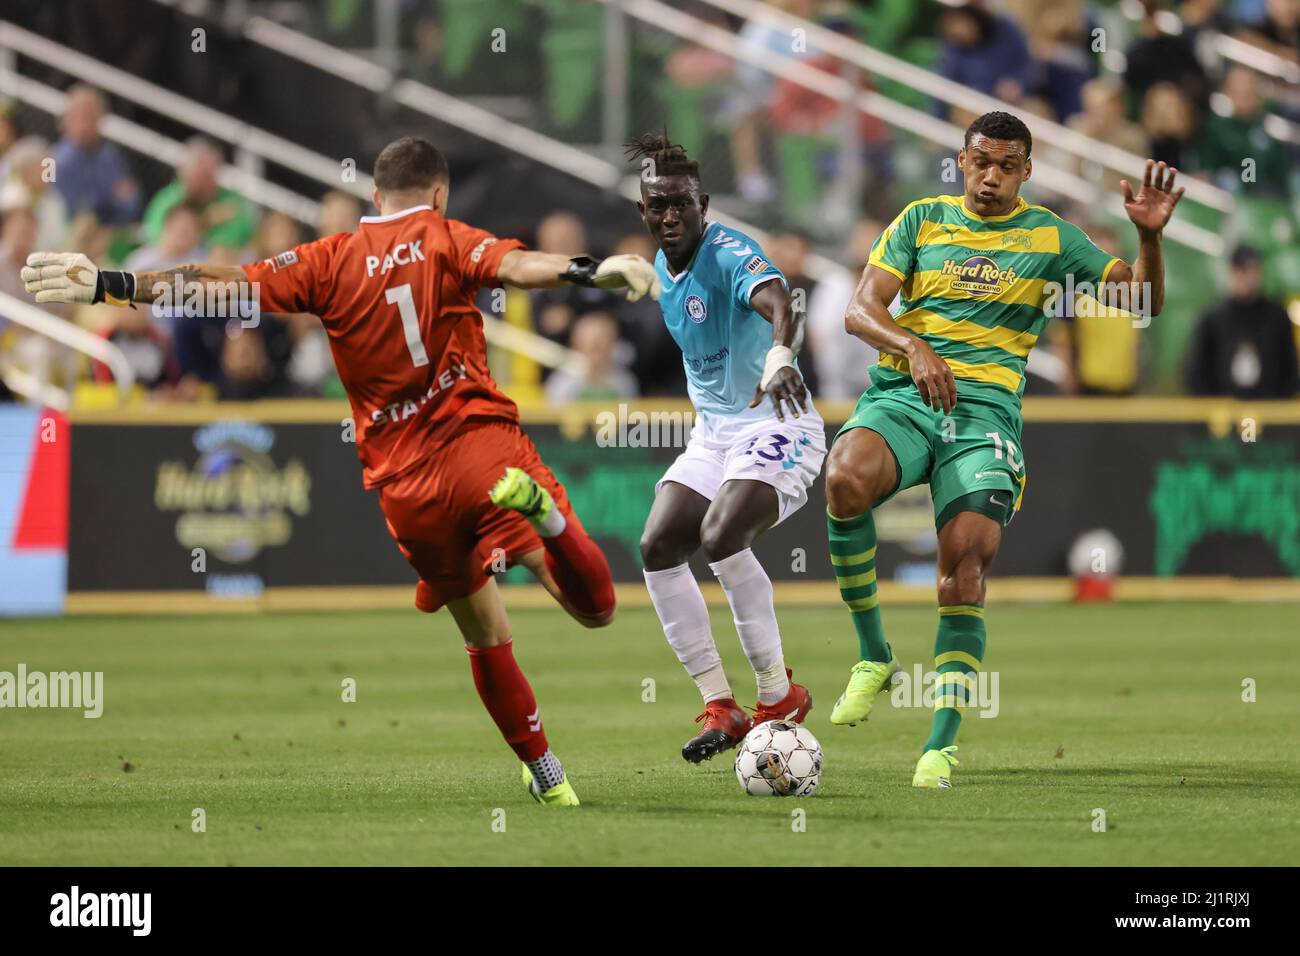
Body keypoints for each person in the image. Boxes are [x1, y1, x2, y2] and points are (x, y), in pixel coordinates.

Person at [21, 135, 663, 808]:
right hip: (481, 451)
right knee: (594, 610)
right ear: (438, 195)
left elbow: (220, 285)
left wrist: (109, 282)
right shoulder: (447, 238)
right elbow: (522, 266)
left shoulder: (328, 259)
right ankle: (549, 517)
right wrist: (592, 271)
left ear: (373, 198)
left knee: (485, 634)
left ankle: (549, 776)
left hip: (405, 487)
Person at [822, 111, 1182, 788]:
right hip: (904, 393)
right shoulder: (921, 220)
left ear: (1026, 172)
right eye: (981, 161)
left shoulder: (1050, 237)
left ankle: (939, 747)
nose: (991, 176)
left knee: (964, 565)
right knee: (843, 478)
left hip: (984, 413)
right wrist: (913, 345)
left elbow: (1141, 302)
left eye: (1007, 166)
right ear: (962, 160)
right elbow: (859, 310)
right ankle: (874, 655)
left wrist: (1147, 239)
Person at [628, 133, 826, 764]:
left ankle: (777, 695)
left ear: (703, 203)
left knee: (720, 535)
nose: (669, 216)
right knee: (658, 546)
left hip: (778, 423)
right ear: (643, 210)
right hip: (715, 433)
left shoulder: (729, 251)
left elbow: (780, 301)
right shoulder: (662, 265)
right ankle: (722, 705)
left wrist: (778, 358)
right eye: (657, 206)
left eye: (680, 204)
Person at [1186, 245, 1299, 399]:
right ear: (1231, 272)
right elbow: (1197, 372)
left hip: (1269, 412)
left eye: (1252, 270)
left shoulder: (1277, 316)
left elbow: (1289, 369)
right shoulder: (1212, 318)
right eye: (1241, 270)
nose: (1247, 277)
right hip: (1223, 416)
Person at [49, 85, 140, 226]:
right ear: (65, 119)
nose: (84, 123)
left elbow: (131, 203)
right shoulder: (50, 160)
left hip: (108, 233)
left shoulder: (111, 156)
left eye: (90, 116)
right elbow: (59, 207)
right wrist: (106, 202)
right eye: (78, 116)